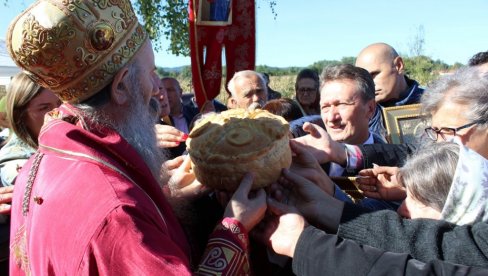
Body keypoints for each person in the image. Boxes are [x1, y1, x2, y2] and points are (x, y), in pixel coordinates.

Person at [7, 1, 266, 274]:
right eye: (153, 74)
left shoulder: (40, 162)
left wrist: (162, 195)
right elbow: (116, 228)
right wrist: (234, 226)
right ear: (120, 87)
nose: (157, 89)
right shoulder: (119, 217)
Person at [292, 66, 488, 267]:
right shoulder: (305, 160)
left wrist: (306, 239)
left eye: (342, 104)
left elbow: (427, 244)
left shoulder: (421, 174)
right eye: (325, 107)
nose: (332, 117)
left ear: (370, 108)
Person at [355, 43, 425, 139]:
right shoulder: (360, 114)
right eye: (364, 79)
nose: (369, 84)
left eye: (374, 74)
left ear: (398, 65)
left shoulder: (436, 104)